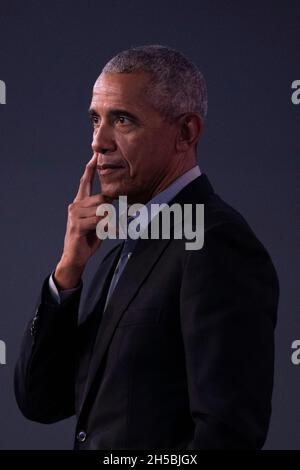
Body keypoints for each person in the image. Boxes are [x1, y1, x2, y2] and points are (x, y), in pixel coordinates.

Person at [14, 45, 279, 450]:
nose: (98, 142)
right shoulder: (119, 254)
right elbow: (41, 401)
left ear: (186, 132)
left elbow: (229, 433)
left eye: (122, 120)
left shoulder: (215, 240)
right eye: (94, 120)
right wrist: (68, 271)